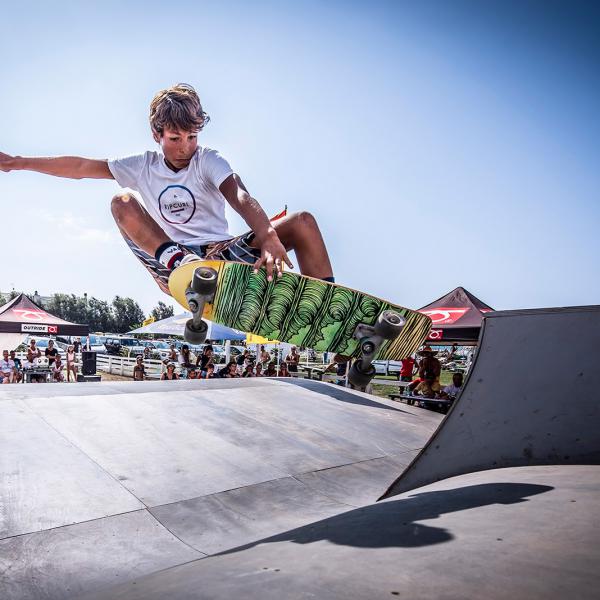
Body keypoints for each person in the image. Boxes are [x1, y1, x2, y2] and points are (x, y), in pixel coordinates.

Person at [0, 84, 334, 295]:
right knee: (122, 201)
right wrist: (17, 162)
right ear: (157, 134)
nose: (185, 147)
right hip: (169, 262)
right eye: (175, 139)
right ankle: (181, 263)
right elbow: (81, 168)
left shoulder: (209, 160)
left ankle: (326, 309)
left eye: (192, 138)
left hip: (222, 259)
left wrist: (268, 235)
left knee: (302, 221)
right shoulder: (141, 165)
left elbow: (241, 196)